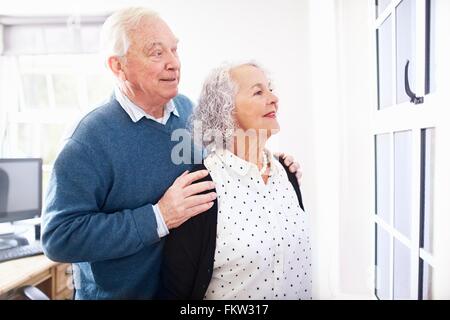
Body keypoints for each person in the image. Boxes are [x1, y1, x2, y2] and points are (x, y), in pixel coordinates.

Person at [41, 7, 302, 299]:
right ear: (118, 66)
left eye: (174, 50)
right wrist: (159, 217)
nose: (173, 63)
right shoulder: (87, 140)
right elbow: (58, 238)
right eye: (156, 53)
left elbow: (226, 163)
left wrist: (271, 164)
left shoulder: (188, 111)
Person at [158, 62, 312, 300]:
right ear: (225, 110)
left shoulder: (288, 174)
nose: (274, 98)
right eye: (258, 91)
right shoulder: (202, 188)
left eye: (270, 89)